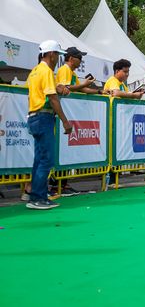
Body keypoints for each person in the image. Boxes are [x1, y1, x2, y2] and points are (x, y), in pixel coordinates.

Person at [25, 40, 73, 210]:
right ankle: (38, 197)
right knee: (46, 159)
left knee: (39, 159)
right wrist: (65, 121)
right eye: (58, 54)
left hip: (34, 116)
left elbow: (42, 90)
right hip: (43, 116)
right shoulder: (46, 71)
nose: (58, 58)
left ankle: (35, 195)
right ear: (51, 54)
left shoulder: (35, 71)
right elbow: (52, 98)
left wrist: (57, 86)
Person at [50, 46, 99, 197]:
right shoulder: (65, 69)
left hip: (67, 114)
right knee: (60, 150)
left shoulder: (71, 72)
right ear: (71, 58)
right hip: (61, 114)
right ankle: (56, 185)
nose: (81, 61)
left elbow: (81, 89)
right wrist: (84, 84)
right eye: (79, 58)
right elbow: (65, 88)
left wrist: (98, 91)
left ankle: (63, 184)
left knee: (65, 150)